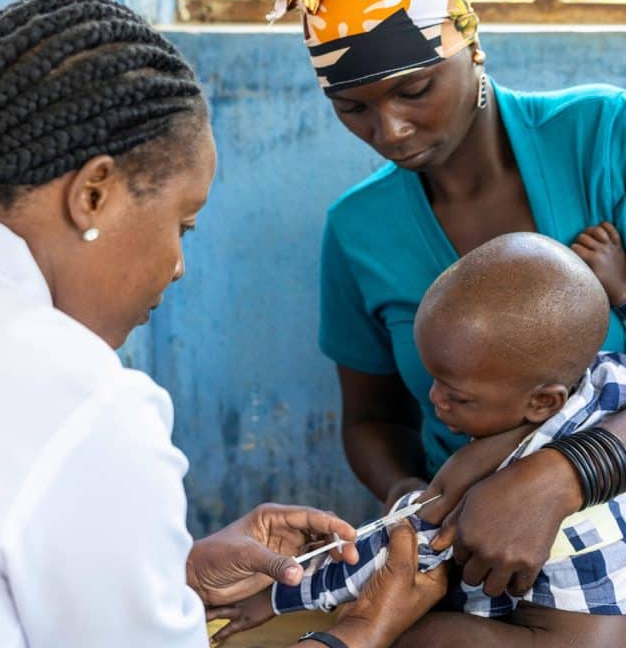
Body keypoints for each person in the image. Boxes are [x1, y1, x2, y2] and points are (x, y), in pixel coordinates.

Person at [0, 0, 446, 647]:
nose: (177, 266)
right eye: (181, 225)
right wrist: (362, 630)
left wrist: (175, 575)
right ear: (94, 195)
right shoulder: (83, 401)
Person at [269, 0, 626, 601]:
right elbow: (372, 418)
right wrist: (409, 495)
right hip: (474, 551)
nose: (390, 131)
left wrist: (566, 473)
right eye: (352, 108)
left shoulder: (605, 139)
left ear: (470, 41)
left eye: (416, 89)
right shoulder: (357, 231)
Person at [209, 233, 626, 646]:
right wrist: (621, 293)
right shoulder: (608, 378)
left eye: (456, 394)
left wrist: (276, 595)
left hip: (555, 640)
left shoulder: (481, 464)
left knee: (418, 635)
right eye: (434, 379)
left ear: (542, 402)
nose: (434, 399)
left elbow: (395, 553)